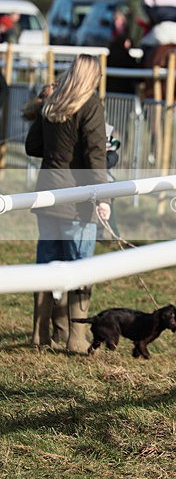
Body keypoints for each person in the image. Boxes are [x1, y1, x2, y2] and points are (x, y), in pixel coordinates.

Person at [25, 55, 111, 354]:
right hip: (78, 202)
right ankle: (76, 338)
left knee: (47, 264)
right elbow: (95, 157)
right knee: (80, 268)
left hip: (47, 196)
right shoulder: (90, 106)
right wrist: (104, 198)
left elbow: (31, 146)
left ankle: (42, 333)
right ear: (92, 77)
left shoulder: (51, 103)